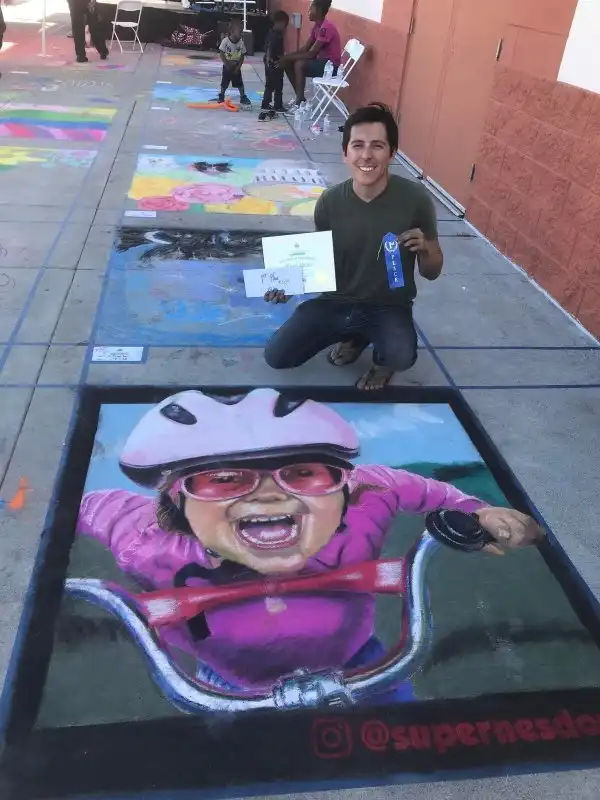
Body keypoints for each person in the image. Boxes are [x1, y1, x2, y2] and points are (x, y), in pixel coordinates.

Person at [76, 388, 543, 705]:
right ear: (175, 502)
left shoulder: (369, 494)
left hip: (361, 661)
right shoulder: (141, 537)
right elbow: (81, 506)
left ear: (344, 487)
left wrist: (480, 510)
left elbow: (427, 491)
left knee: (405, 737)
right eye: (224, 479)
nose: (268, 496)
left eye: (304, 473)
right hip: (228, 683)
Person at [263, 102, 444, 392]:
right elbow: (318, 262)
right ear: (345, 153)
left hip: (388, 306)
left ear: (392, 153)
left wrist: (425, 249)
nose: (366, 155)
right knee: (277, 357)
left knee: (400, 355)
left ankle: (380, 359)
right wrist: (288, 283)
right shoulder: (330, 202)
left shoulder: (415, 199)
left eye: (377, 146)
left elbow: (432, 271)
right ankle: (356, 336)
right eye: (357, 145)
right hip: (336, 302)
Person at [277, 0, 341, 113]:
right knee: (288, 63)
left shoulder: (326, 28)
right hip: (321, 63)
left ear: (318, 11)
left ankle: (299, 102)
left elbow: (311, 54)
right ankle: (300, 98)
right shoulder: (317, 27)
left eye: (311, 9)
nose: (308, 11)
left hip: (331, 67)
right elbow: (305, 48)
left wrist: (287, 57)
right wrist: (286, 56)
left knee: (300, 64)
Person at [259, 9, 289, 121]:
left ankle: (271, 104)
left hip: (273, 63)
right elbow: (269, 47)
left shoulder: (272, 32)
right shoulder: (275, 35)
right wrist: (269, 58)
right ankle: (272, 105)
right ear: (280, 22)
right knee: (275, 85)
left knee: (272, 85)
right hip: (274, 63)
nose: (285, 28)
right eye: (285, 25)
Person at [215, 19, 251, 107]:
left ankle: (243, 97)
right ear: (232, 31)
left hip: (236, 67)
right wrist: (226, 64)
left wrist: (238, 67)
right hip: (227, 66)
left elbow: (242, 56)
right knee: (224, 83)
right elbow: (221, 53)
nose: (241, 34)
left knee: (239, 83)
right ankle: (221, 96)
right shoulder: (225, 41)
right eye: (239, 32)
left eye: (241, 32)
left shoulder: (241, 43)